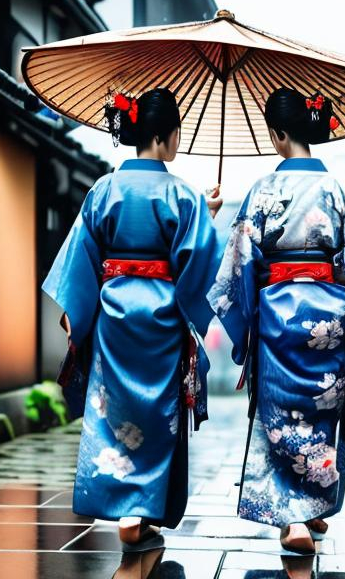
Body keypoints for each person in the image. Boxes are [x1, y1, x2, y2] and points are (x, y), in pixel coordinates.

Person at [208, 88, 345, 553]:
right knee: (322, 414)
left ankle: (296, 520)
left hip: (275, 315)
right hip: (331, 314)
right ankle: (313, 508)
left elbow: (240, 265)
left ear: (277, 133)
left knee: (279, 413)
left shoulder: (262, 190)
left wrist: (247, 324)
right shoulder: (344, 190)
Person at [42, 87, 222, 549]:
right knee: (160, 412)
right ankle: (145, 508)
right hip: (163, 312)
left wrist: (77, 318)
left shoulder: (104, 188)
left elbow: (81, 257)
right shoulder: (183, 194)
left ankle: (123, 509)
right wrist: (206, 213)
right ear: (167, 136)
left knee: (113, 410)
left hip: (113, 311)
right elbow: (200, 260)